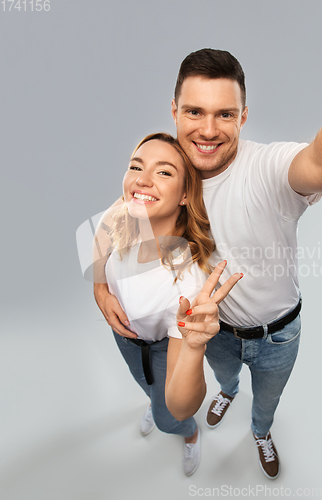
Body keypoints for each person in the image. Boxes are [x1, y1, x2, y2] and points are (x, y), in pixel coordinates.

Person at [94, 49, 322, 479]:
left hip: (277, 334)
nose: (209, 130)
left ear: (244, 116)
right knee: (225, 379)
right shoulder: (163, 172)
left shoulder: (266, 168)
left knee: (267, 399)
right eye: (195, 111)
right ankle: (228, 393)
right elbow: (114, 219)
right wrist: (99, 286)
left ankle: (261, 430)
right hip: (214, 333)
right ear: (174, 110)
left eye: (226, 114)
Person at [93, 132, 242, 476]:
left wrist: (193, 349)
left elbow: (181, 404)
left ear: (186, 194)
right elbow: (101, 232)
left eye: (164, 172)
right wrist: (100, 290)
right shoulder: (125, 214)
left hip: (161, 348)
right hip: (126, 336)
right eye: (136, 167)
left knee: (168, 417)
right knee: (146, 387)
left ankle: (191, 435)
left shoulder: (186, 282)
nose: (141, 180)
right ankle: (152, 398)